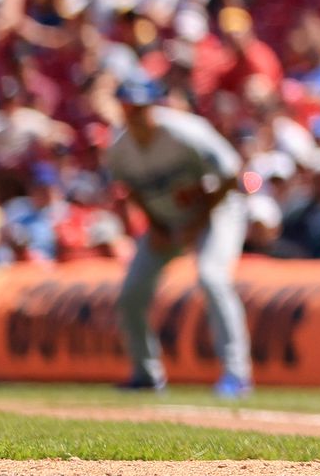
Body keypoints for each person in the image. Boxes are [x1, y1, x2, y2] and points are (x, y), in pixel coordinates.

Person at [103, 77, 253, 398]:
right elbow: (130, 188)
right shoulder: (120, 149)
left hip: (217, 211)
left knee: (212, 277)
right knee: (131, 294)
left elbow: (233, 175)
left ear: (153, 106)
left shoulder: (186, 131)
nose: (136, 114)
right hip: (168, 219)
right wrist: (157, 225)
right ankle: (146, 375)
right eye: (130, 108)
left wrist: (196, 223)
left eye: (142, 107)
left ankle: (237, 375)